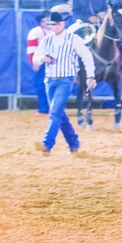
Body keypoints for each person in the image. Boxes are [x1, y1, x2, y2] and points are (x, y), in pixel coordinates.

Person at [33, 12, 97, 155]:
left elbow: (87, 57)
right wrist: (42, 58)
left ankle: (47, 144)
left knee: (55, 112)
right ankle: (74, 143)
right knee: (59, 113)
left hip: (65, 80)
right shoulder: (47, 40)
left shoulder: (73, 39)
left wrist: (90, 76)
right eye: (53, 24)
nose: (56, 27)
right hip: (50, 80)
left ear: (63, 23)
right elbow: (36, 58)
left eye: (58, 24)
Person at [27, 10, 51, 114]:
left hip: (53, 63)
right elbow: (31, 48)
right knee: (41, 86)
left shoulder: (55, 31)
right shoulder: (35, 31)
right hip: (41, 62)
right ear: (43, 20)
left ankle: (51, 107)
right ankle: (43, 108)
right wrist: (34, 62)